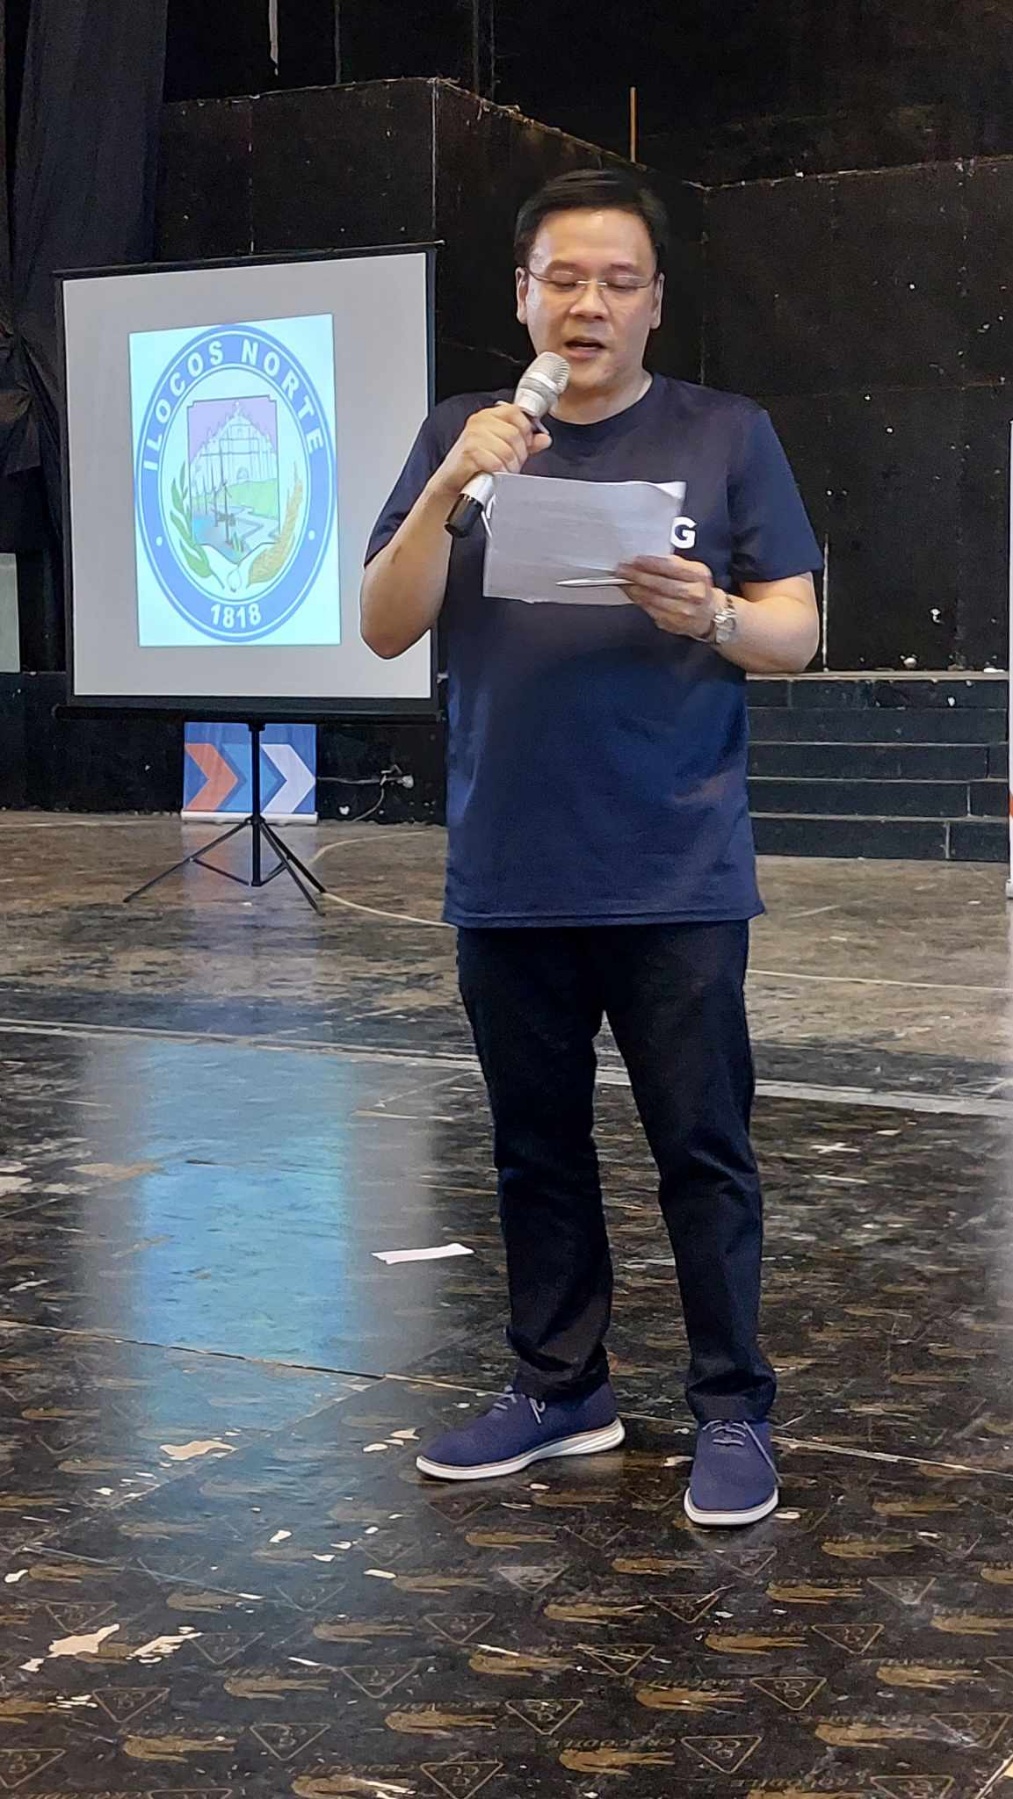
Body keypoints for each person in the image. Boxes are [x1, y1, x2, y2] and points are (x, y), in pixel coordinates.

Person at [361, 168, 821, 1527]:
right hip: (511, 863)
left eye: (619, 281)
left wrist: (710, 615)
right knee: (534, 1148)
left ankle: (731, 1407)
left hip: (674, 865)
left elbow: (795, 631)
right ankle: (560, 1387)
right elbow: (383, 626)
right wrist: (452, 482)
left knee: (702, 1147)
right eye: (563, 278)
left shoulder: (725, 434)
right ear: (521, 294)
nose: (589, 304)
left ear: (655, 303)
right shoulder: (462, 435)